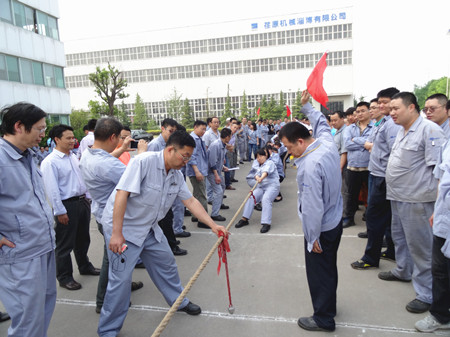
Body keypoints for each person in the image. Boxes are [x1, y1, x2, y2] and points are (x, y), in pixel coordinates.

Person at [97, 131, 228, 336]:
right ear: (170, 149)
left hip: (149, 228)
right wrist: (115, 233)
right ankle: (108, 329)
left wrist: (212, 224)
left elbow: (190, 201)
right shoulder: (143, 162)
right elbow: (122, 194)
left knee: (166, 263)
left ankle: (178, 301)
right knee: (120, 282)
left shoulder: (175, 174)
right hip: (125, 230)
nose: (185, 162)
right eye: (184, 156)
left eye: (188, 158)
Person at [279, 90, 342, 332]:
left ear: (301, 141)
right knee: (329, 268)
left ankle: (324, 318)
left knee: (319, 274)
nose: (288, 152)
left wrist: (312, 237)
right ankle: (329, 306)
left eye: (288, 147)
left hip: (322, 227)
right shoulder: (326, 143)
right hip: (334, 219)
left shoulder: (309, 166)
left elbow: (313, 207)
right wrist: (307, 107)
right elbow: (322, 124)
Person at [381, 92, 445, 314]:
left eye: (396, 108)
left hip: (416, 198)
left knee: (421, 247)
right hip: (397, 195)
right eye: (390, 109)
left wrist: (439, 207)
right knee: (400, 238)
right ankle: (403, 270)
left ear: (412, 108)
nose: (392, 113)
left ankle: (427, 293)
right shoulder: (401, 130)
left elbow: (439, 172)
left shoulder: (429, 130)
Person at [0, 103, 56, 337]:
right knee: (27, 321)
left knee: (42, 310)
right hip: (20, 253)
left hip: (42, 245)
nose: (43, 135)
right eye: (39, 129)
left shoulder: (27, 155)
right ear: (19, 126)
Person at [80, 117, 145, 314]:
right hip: (113, 218)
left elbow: (106, 158)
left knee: (115, 259)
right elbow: (136, 180)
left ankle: (119, 290)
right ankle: (105, 301)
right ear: (113, 136)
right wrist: (141, 155)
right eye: (121, 138)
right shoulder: (109, 165)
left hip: (101, 213)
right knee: (114, 261)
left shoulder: (87, 154)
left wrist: (122, 149)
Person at [41, 124, 100, 291]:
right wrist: (59, 211)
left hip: (81, 203)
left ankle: (84, 266)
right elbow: (52, 190)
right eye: (68, 138)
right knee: (64, 244)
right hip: (67, 205)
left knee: (83, 238)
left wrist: (88, 198)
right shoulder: (50, 162)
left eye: (73, 137)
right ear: (57, 140)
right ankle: (65, 277)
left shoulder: (73, 156)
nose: (72, 140)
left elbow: (82, 180)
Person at [350, 88, 400, 270]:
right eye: (379, 103)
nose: (381, 106)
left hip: (384, 177)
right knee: (385, 217)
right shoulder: (384, 123)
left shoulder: (393, 125)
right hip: (377, 174)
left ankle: (371, 257)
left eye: (384, 102)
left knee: (374, 217)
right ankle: (391, 251)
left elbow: (395, 153)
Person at [414, 133, 450, 332]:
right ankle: (440, 315)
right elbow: (441, 179)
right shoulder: (447, 143)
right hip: (444, 218)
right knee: (440, 269)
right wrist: (438, 209)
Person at [147, 118, 187, 255]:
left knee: (167, 216)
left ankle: (170, 242)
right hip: (156, 191)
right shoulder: (154, 145)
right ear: (162, 128)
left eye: (174, 132)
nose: (172, 134)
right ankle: (171, 245)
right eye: (170, 131)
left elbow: (190, 200)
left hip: (168, 187)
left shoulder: (170, 145)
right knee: (165, 218)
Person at [342, 102, 373, 228]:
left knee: (370, 194)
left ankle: (370, 217)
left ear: (369, 112)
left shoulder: (374, 128)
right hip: (353, 167)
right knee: (351, 194)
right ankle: (349, 218)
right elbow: (347, 144)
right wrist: (365, 145)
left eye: (362, 111)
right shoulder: (349, 129)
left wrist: (356, 140)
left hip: (369, 167)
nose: (359, 114)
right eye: (358, 112)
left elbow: (374, 143)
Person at [235, 147, 280, 233]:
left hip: (272, 186)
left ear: (265, 156)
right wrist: (257, 177)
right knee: (251, 196)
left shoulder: (270, 163)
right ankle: (244, 219)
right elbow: (256, 174)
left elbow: (265, 173)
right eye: (257, 157)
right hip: (262, 186)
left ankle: (266, 223)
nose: (259, 158)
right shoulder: (259, 166)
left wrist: (261, 178)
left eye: (261, 156)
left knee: (266, 199)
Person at [187, 120, 210, 229]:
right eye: (202, 129)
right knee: (201, 195)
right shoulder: (192, 140)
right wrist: (197, 171)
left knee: (197, 194)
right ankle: (203, 220)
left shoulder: (198, 139)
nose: (204, 131)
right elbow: (191, 157)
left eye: (205, 129)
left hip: (201, 170)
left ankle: (195, 215)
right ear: (195, 127)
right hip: (197, 171)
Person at [207, 128, 232, 222]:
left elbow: (219, 160)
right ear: (226, 137)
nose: (230, 138)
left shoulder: (222, 145)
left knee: (222, 186)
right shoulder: (216, 145)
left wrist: (223, 167)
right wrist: (216, 175)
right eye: (230, 136)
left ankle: (219, 203)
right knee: (218, 191)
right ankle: (214, 214)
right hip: (212, 172)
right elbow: (212, 162)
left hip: (217, 170)